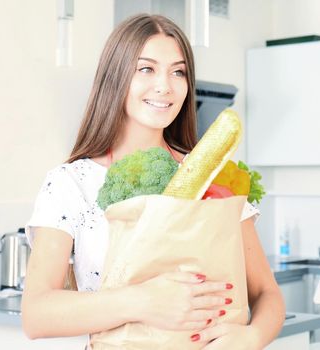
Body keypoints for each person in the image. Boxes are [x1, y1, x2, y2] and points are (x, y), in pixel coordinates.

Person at [21, 14, 284, 349]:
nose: (165, 85)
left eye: (178, 72)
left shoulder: (211, 176)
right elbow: (36, 314)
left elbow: (267, 293)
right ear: (115, 77)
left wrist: (253, 336)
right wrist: (144, 301)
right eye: (146, 69)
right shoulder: (71, 183)